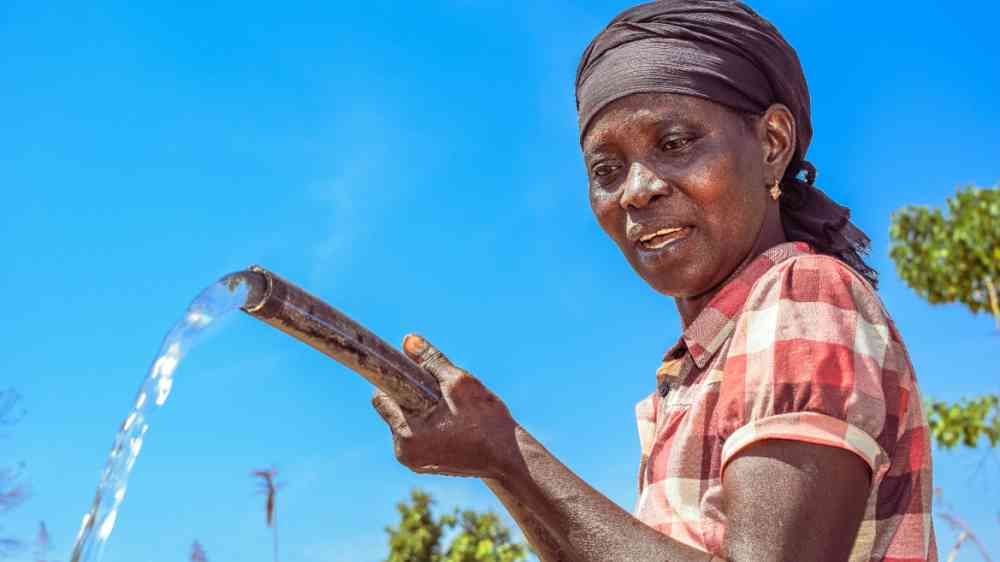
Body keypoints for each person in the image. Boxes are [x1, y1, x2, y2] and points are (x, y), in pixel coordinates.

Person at [371, 1, 937, 560]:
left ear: (772, 144)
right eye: (606, 171)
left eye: (674, 144)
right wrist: (495, 459)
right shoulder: (696, 370)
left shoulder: (802, 295)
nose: (636, 190)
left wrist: (507, 454)